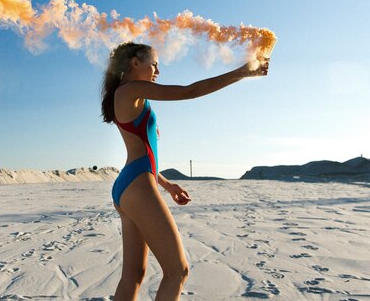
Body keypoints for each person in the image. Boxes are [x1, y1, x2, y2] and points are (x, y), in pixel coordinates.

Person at [101, 42, 269, 301]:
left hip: (131, 184)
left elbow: (143, 152)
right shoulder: (131, 90)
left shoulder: (127, 94)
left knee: (134, 275)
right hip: (138, 185)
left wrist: (167, 185)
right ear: (135, 63)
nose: (158, 70)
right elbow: (190, 91)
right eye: (154, 63)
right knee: (178, 271)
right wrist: (243, 72)